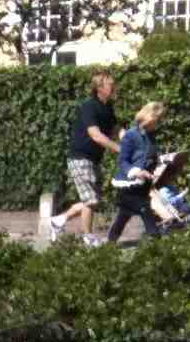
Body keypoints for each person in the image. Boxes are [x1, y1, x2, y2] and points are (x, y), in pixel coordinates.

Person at [52, 72, 122, 244]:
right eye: (110, 84)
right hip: (80, 157)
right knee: (91, 199)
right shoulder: (89, 107)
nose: (114, 87)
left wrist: (133, 143)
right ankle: (87, 237)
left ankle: (58, 220)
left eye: (114, 84)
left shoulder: (108, 107)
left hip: (93, 159)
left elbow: (117, 130)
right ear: (99, 88)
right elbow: (96, 135)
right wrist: (120, 149)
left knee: (91, 199)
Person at [108, 102, 173, 245]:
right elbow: (123, 161)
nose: (159, 123)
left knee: (123, 216)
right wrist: (137, 172)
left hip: (144, 185)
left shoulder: (151, 136)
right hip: (130, 185)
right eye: (157, 120)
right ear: (149, 118)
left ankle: (110, 244)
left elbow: (150, 159)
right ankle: (157, 244)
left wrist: (162, 162)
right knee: (146, 211)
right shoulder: (131, 135)